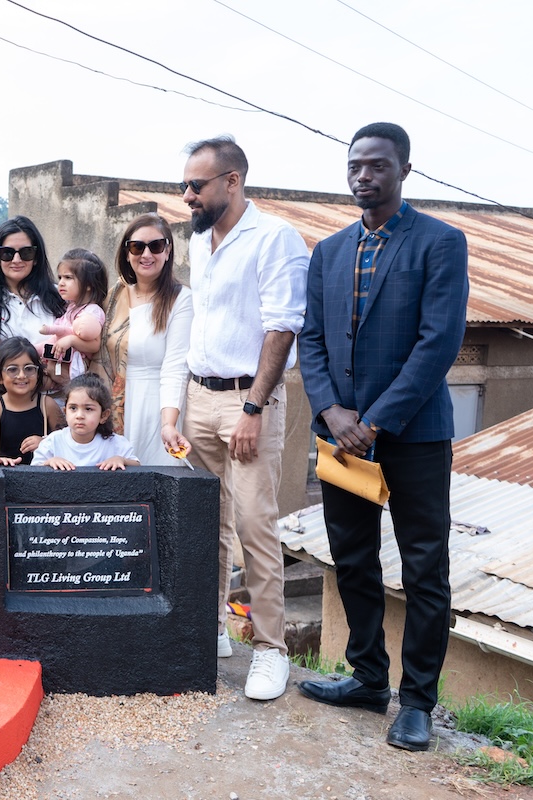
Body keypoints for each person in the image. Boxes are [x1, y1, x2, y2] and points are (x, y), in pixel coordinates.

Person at [296, 123, 470, 751]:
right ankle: (368, 678)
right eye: (355, 166)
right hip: (341, 435)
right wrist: (333, 412)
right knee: (353, 559)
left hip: (414, 433)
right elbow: (310, 338)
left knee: (425, 567)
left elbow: (438, 344)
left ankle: (417, 699)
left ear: (404, 168)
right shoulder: (330, 251)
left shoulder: (441, 243)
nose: (363, 175)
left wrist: (374, 420)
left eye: (376, 165)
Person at [179, 136, 308, 701]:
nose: (187, 195)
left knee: (256, 524)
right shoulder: (201, 241)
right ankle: (210, 630)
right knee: (210, 519)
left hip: (246, 400)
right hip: (200, 397)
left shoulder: (274, 238)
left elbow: (282, 327)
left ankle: (271, 650)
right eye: (185, 184)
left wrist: (253, 408)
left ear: (232, 181)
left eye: (196, 185)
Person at [92, 214, 194, 466]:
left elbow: (176, 367)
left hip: (159, 406)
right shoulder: (114, 296)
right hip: (113, 406)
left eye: (156, 246)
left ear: (168, 251)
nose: (146, 254)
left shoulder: (180, 299)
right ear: (127, 253)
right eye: (137, 246)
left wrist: (168, 423)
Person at [0, 217, 64, 456]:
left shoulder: (58, 297)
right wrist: (40, 373)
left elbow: (68, 344)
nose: (17, 260)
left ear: (37, 256)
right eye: (8, 253)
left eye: (26, 252)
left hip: (48, 409)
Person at [0, 336, 63, 466]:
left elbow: (66, 443)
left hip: (43, 480)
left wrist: (44, 443)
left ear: (38, 372)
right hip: (7, 478)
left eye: (29, 368)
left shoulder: (47, 405)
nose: (21, 375)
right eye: (12, 369)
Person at [32, 373, 139, 470]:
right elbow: (33, 472)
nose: (79, 416)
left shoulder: (116, 444)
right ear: (65, 411)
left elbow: (138, 468)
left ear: (103, 415)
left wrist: (121, 460)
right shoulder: (53, 442)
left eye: (88, 409)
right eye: (73, 408)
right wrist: (49, 463)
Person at [40, 248, 107, 381]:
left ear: (88, 285)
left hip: (77, 375)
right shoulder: (71, 307)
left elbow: (95, 345)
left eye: (68, 277)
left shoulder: (92, 311)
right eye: (60, 277)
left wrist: (71, 340)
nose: (61, 283)